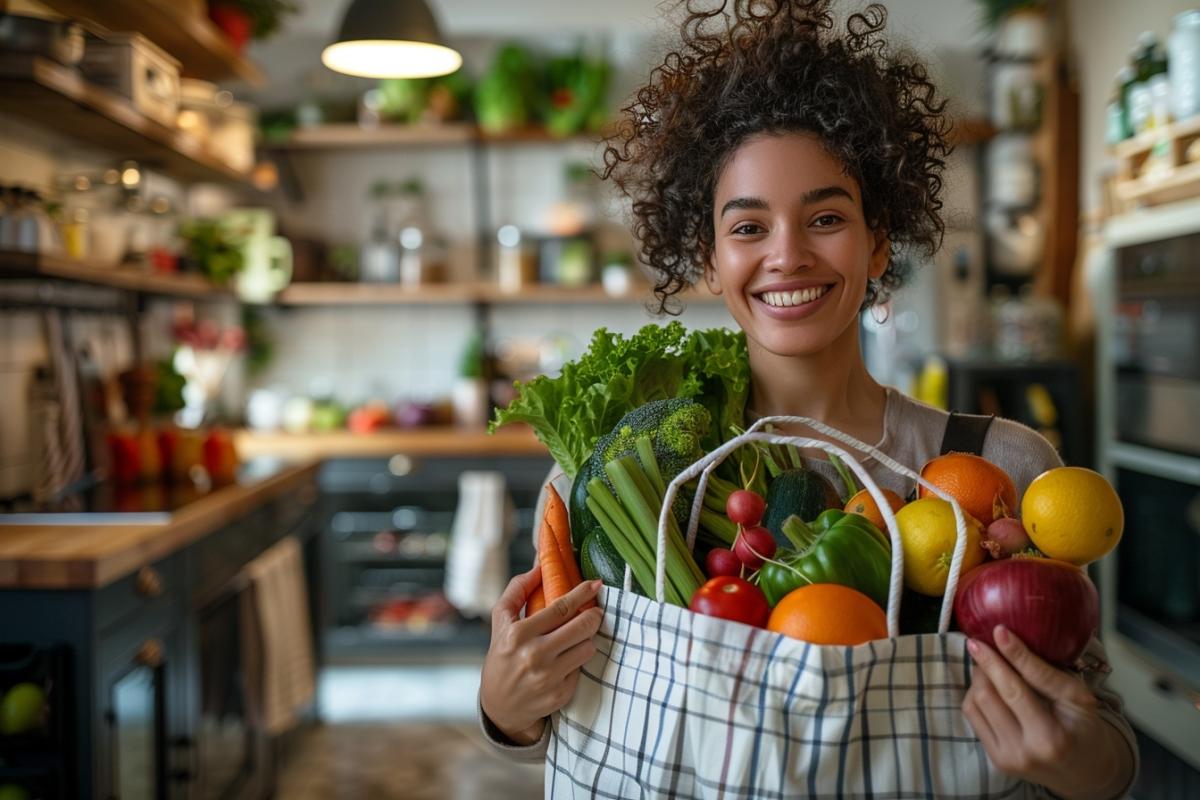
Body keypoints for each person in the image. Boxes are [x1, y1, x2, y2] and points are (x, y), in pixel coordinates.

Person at [479, 1, 1138, 797]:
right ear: (710, 259)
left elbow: (1107, 745)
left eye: (825, 217)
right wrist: (503, 709)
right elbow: (557, 715)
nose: (787, 256)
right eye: (748, 228)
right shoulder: (625, 470)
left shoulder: (1000, 466)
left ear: (879, 242)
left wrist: (1080, 760)